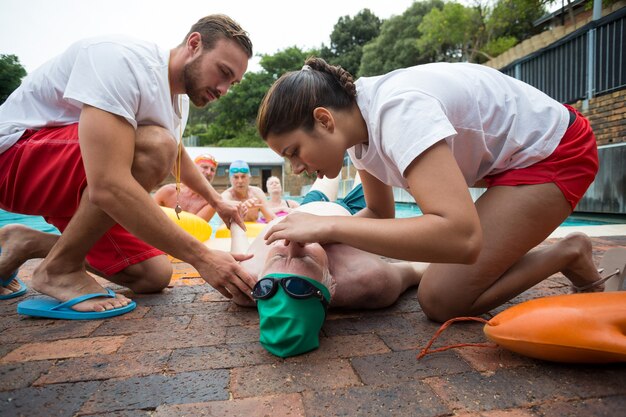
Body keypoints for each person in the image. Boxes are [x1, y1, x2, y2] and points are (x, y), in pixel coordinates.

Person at [256, 57, 620, 323]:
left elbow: (460, 237)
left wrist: (330, 226)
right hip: (512, 162)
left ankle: (570, 252)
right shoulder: (359, 132)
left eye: (293, 152)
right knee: (445, 285)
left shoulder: (398, 113)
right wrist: (313, 241)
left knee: (441, 299)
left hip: (556, 152)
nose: (297, 168)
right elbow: (381, 216)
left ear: (324, 120)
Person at [0, 15, 257, 316]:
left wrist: (217, 201)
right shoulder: (121, 60)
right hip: (13, 160)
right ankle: (59, 268)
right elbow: (110, 183)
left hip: (72, 180)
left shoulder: (179, 100)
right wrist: (202, 257)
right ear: (194, 44)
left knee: (152, 275)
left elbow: (176, 154)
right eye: (223, 72)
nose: (224, 89)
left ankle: (29, 242)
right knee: (154, 146)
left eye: (233, 83)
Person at [214, 175, 426, 357]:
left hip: (307, 206)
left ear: (261, 279)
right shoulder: (368, 278)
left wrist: (234, 219)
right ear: (330, 282)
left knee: (326, 169)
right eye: (305, 258)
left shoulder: (247, 280)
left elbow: (238, 241)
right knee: (364, 161)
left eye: (278, 257)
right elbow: (417, 268)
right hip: (354, 215)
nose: (292, 243)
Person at [153, 154, 219, 221]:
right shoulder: (167, 191)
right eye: (205, 167)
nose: (208, 172)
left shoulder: (210, 202)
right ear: (193, 168)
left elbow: (194, 227)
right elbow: (149, 216)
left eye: (212, 170)